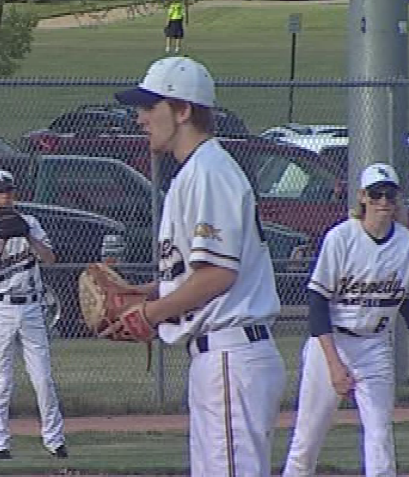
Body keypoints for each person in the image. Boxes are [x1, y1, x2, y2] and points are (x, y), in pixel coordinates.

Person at [111, 56, 286, 476]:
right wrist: (147, 293)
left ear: (183, 110)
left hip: (230, 354)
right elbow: (198, 272)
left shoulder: (209, 171)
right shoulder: (197, 171)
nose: (140, 118)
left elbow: (219, 275)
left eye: (149, 106)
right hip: (220, 357)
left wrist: (150, 314)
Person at [282, 163, 409, 477]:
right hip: (331, 343)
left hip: (375, 345)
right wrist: (334, 365)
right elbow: (318, 304)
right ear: (362, 196)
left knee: (379, 437)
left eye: (390, 194)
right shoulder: (341, 238)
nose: (383, 201)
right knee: (307, 440)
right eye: (376, 194)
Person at [0, 170, 68, 461]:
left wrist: (26, 234)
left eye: (8, 191)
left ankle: (55, 440)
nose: (5, 196)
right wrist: (1, 239)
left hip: (32, 307)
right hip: (1, 308)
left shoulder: (31, 223)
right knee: (2, 381)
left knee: (43, 378)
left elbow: (50, 258)